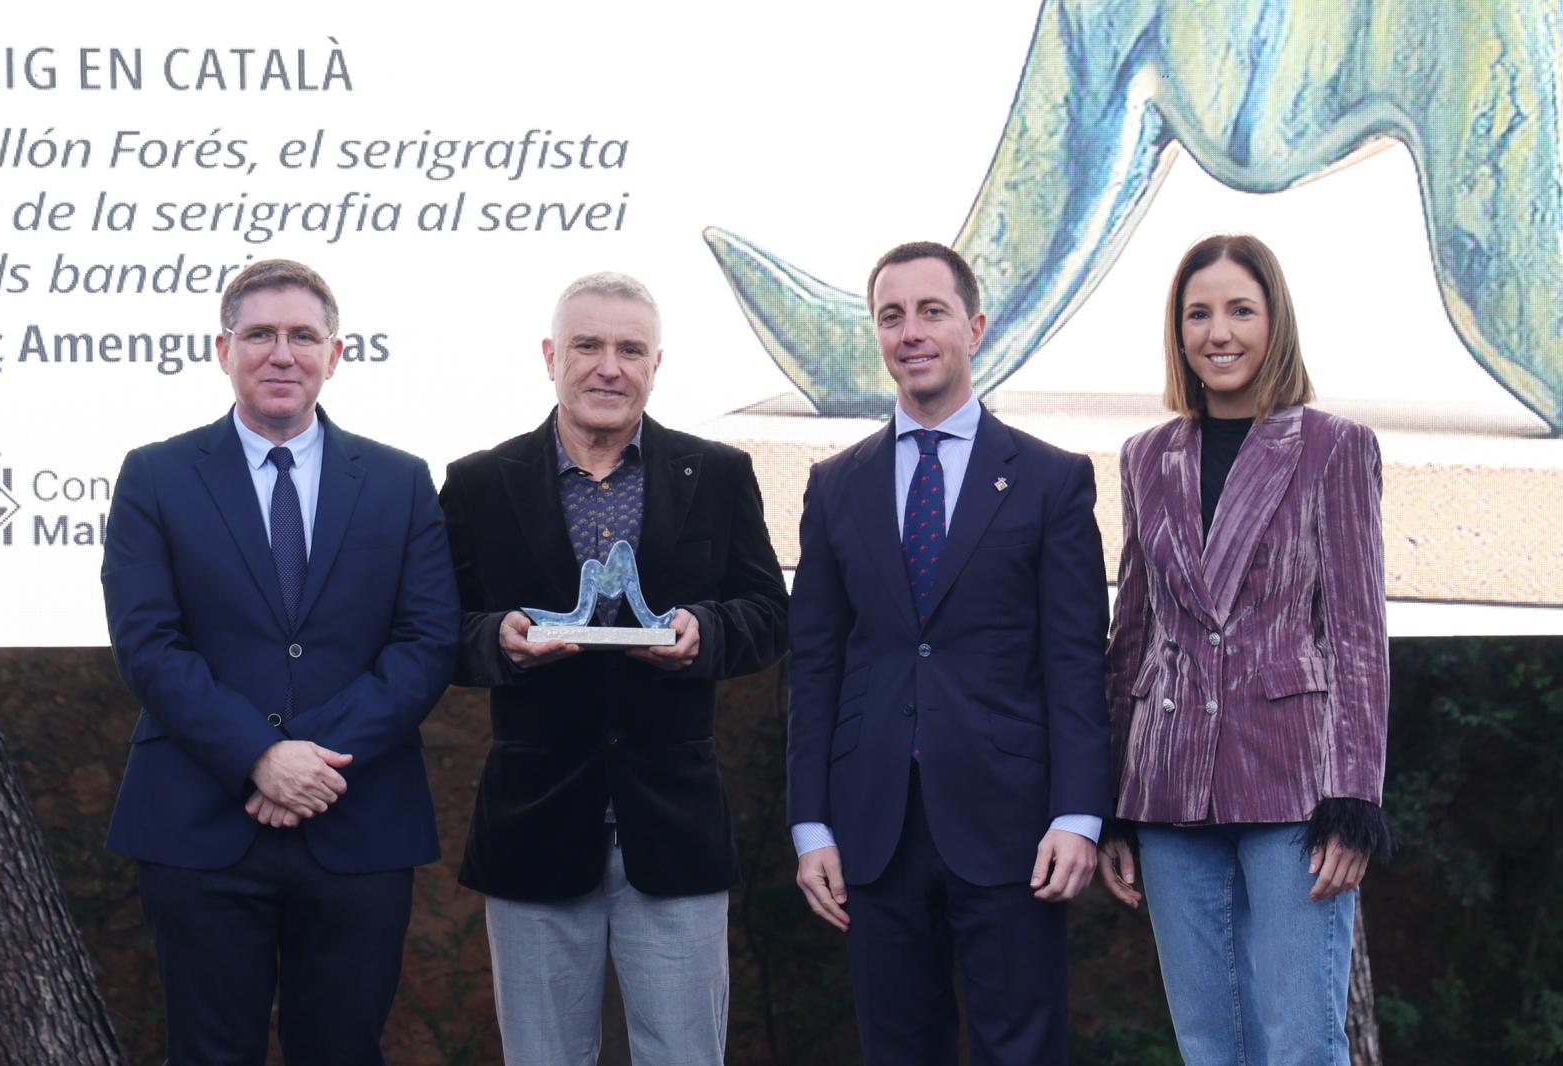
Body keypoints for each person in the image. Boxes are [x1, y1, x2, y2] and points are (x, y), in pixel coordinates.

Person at [101, 259, 460, 1065]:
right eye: (259, 334)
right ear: (223, 349)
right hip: (199, 826)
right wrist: (260, 755)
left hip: (358, 821)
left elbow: (427, 641)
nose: (281, 353)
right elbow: (148, 643)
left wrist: (313, 762)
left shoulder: (400, 483)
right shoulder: (155, 477)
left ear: (336, 356)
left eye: (303, 335)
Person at [440, 271, 789, 1065]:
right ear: (549, 356)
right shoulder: (479, 483)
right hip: (534, 826)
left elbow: (770, 614)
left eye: (629, 349)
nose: (609, 367)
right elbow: (435, 631)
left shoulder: (718, 473)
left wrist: (703, 632)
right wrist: (501, 638)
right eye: (588, 346)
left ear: (656, 364)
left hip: (673, 826)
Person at [787, 241, 1111, 1065]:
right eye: (891, 316)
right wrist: (809, 824)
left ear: (974, 326)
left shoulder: (1051, 480)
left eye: (931, 311)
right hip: (871, 826)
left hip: (1014, 827)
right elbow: (816, 665)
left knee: (1022, 1051)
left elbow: (1076, 661)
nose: (911, 332)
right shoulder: (835, 485)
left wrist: (1079, 813)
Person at [1098, 233, 1391, 1066]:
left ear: (1275, 323)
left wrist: (1354, 802)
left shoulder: (1336, 447)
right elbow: (1135, 631)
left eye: (1239, 310)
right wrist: (1113, 797)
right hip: (1169, 787)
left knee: (1300, 1044)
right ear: (1178, 331)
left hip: (1295, 786)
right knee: (1209, 1046)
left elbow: (1360, 636)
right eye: (1198, 313)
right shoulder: (1146, 457)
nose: (1217, 331)